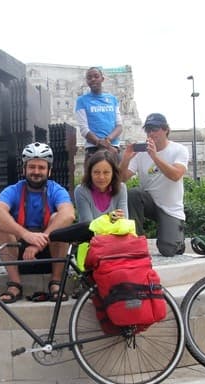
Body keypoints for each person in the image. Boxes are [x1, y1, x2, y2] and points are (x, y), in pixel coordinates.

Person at [0, 142, 75, 303]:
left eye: (41, 168)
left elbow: (69, 214)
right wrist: (26, 235)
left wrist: (39, 242)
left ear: (49, 171)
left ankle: (56, 282)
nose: (36, 172)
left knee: (58, 218)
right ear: (24, 170)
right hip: (20, 255)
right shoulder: (13, 190)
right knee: (0, 225)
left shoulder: (57, 190)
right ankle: (15, 284)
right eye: (32, 167)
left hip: (49, 253)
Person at [118, 113, 188, 257]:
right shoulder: (141, 153)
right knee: (132, 194)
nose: (151, 133)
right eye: (148, 130)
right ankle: (135, 242)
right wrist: (125, 159)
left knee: (168, 250)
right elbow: (121, 179)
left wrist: (155, 157)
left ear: (166, 130)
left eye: (155, 129)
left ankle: (177, 240)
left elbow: (175, 175)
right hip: (149, 203)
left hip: (170, 209)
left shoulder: (179, 149)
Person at [75, 67, 123, 170]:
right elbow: (84, 129)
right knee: (91, 183)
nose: (93, 79)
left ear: (102, 78)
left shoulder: (112, 99)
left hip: (113, 147)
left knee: (116, 182)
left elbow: (119, 126)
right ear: (87, 81)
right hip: (93, 149)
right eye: (89, 77)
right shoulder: (81, 100)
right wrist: (101, 144)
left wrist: (108, 141)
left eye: (96, 76)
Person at [74, 149, 128, 223]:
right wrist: (111, 217)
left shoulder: (121, 188)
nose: (101, 177)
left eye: (106, 172)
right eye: (96, 172)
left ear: (113, 173)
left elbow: (124, 222)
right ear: (90, 173)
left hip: (116, 234)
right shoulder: (81, 191)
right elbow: (88, 225)